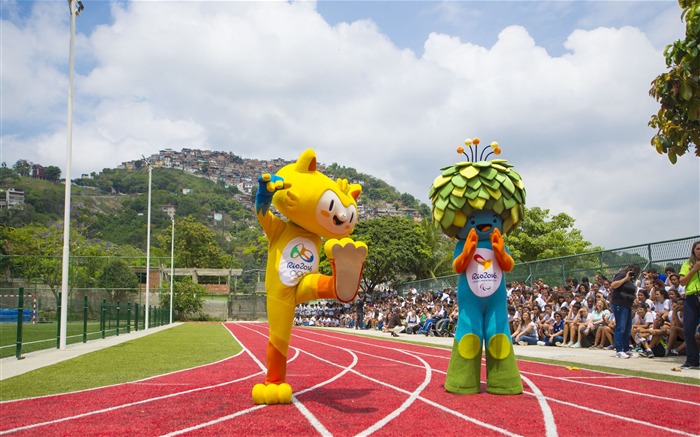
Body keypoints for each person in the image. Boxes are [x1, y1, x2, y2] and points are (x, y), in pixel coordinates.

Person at [610, 264, 641, 359]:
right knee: (621, 327)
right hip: (619, 304)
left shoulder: (631, 280)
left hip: (628, 305)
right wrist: (626, 278)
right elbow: (613, 285)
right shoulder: (622, 275)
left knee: (627, 328)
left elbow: (631, 291)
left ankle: (626, 349)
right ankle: (619, 350)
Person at [679, 240, 700, 369]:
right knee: (688, 330)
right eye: (698, 248)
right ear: (693, 250)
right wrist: (694, 270)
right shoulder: (687, 264)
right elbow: (682, 282)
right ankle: (692, 360)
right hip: (692, 298)